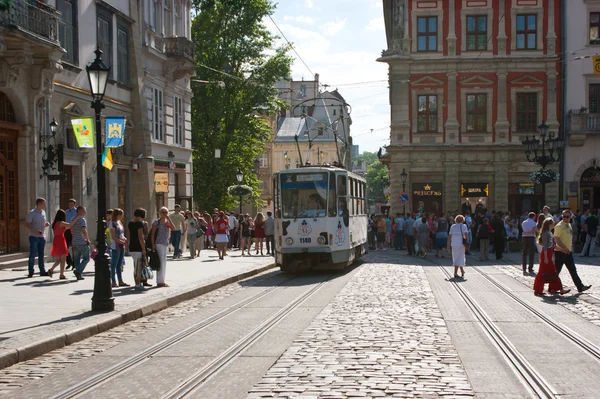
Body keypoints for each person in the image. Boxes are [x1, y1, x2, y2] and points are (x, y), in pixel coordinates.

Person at [553, 210, 592, 293]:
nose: (565, 218)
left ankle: (580, 287)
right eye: (564, 216)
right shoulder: (559, 226)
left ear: (570, 217)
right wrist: (564, 248)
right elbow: (557, 239)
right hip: (561, 251)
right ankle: (551, 287)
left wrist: (569, 247)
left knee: (572, 270)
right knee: (556, 270)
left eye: (567, 217)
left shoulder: (569, 225)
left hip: (568, 251)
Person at [533, 218, 570, 296]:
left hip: (548, 255)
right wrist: (546, 257)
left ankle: (543, 289)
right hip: (546, 255)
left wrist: (562, 249)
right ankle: (558, 289)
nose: (554, 225)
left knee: (548, 272)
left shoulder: (548, 233)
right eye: (553, 223)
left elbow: (552, 246)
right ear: (549, 225)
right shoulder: (546, 233)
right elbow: (546, 247)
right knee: (549, 272)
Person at [48, 209, 78, 280]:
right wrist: (76, 218)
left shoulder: (55, 223)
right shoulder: (61, 222)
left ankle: (51, 270)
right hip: (61, 240)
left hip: (56, 239)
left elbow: (65, 228)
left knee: (60, 259)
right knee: (63, 258)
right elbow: (70, 225)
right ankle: (61, 274)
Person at [24, 198, 51, 277]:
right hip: (34, 236)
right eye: (43, 203)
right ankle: (31, 271)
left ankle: (42, 271)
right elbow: (26, 224)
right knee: (32, 254)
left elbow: (43, 222)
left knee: (41, 254)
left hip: (42, 236)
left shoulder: (43, 212)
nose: (45, 205)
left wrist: (46, 224)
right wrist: (34, 230)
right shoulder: (32, 213)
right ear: (39, 204)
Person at [151, 207, 174, 287]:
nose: (165, 214)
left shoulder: (167, 222)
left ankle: (162, 280)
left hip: (165, 243)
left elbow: (173, 228)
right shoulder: (156, 222)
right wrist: (153, 244)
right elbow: (153, 234)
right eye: (163, 212)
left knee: (163, 262)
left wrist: (169, 219)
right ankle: (160, 281)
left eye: (166, 212)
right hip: (158, 243)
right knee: (160, 262)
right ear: (160, 213)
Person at [128, 208, 148, 291]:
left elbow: (129, 235)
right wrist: (143, 248)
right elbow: (140, 237)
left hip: (132, 246)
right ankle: (138, 283)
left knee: (135, 265)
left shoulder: (130, 223)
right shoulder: (139, 224)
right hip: (138, 247)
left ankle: (137, 282)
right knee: (138, 266)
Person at [108, 208, 129, 287]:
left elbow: (121, 234)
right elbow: (113, 237)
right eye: (121, 215)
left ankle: (120, 280)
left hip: (121, 245)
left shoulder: (119, 222)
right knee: (114, 263)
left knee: (119, 264)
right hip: (115, 245)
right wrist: (121, 242)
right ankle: (113, 281)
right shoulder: (112, 224)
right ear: (117, 215)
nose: (122, 216)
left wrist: (125, 240)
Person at [71, 206, 91, 281]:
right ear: (80, 211)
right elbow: (84, 230)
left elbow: (71, 230)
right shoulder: (82, 220)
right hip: (82, 242)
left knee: (77, 259)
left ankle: (79, 275)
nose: (85, 213)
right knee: (86, 258)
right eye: (84, 211)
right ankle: (78, 271)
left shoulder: (73, 219)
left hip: (74, 242)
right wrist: (87, 239)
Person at [447, 215, 469, 279]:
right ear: (462, 220)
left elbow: (449, 236)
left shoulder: (452, 226)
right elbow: (466, 235)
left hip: (453, 244)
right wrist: (466, 241)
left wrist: (448, 244)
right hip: (461, 244)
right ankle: (455, 273)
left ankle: (462, 271)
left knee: (456, 257)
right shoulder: (464, 226)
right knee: (460, 257)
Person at [64, 199, 77, 270]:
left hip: (74, 230)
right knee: (65, 247)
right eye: (69, 205)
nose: (70, 206)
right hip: (67, 230)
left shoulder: (76, 212)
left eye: (72, 204)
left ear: (74, 205)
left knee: (74, 248)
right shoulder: (66, 212)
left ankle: (75, 264)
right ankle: (69, 261)